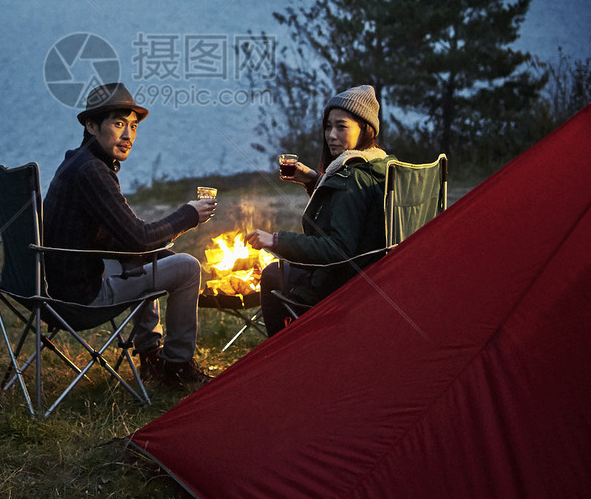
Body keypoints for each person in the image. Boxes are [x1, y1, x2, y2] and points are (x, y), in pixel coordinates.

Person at [43, 82, 216, 388]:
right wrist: (188, 215)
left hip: (63, 285)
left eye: (133, 127)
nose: (128, 136)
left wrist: (148, 248)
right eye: (119, 124)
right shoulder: (92, 172)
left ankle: (150, 357)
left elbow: (127, 239)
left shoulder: (77, 162)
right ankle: (177, 365)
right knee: (187, 267)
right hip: (82, 298)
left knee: (147, 258)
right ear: (91, 125)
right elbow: (138, 235)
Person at [247, 85, 395, 335]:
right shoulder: (378, 165)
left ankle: (280, 353)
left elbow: (336, 249)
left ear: (365, 128)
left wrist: (275, 240)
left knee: (273, 273)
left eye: (342, 126)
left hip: (341, 283)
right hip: (376, 276)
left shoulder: (352, 178)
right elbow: (352, 208)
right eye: (328, 126)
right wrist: (313, 180)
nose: (331, 135)